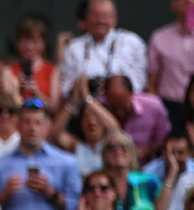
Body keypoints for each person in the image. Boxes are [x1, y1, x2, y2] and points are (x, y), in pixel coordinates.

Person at [58, 0, 147, 96]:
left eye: (105, 16)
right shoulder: (74, 48)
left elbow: (139, 83)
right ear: (87, 17)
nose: (101, 21)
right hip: (84, 100)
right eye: (96, 16)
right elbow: (65, 88)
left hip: (121, 101)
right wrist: (84, 85)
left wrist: (112, 85)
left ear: (114, 18)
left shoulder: (132, 43)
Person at [51, 78, 121, 175]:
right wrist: (73, 102)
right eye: (86, 117)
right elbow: (55, 134)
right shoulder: (76, 146)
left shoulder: (109, 145)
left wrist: (87, 98)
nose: (91, 122)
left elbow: (115, 128)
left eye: (96, 117)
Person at [148, 0, 194, 131]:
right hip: (169, 106)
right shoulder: (159, 37)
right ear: (173, 5)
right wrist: (156, 111)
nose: (190, 2)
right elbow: (152, 81)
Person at [102, 75, 171, 162]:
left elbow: (164, 140)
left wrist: (146, 149)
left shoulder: (153, 107)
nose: (120, 112)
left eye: (123, 106)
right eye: (115, 107)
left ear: (132, 94)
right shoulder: (99, 107)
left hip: (146, 165)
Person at [10, 17, 62, 111]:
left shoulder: (52, 70)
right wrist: (17, 89)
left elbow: (55, 106)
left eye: (35, 41)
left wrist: (37, 93)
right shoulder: (10, 70)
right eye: (25, 41)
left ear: (44, 43)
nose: (30, 47)